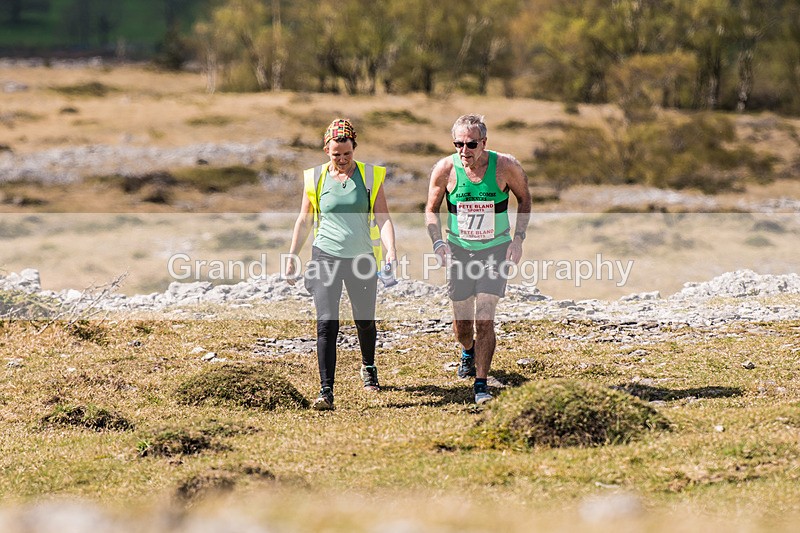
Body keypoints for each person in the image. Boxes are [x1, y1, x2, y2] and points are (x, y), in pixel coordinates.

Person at [284, 118, 396, 410]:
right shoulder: (315, 178)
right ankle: (326, 391)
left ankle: (368, 366)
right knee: (326, 322)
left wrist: (391, 250)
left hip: (361, 259)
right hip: (325, 256)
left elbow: (383, 217)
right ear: (326, 150)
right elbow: (305, 220)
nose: (343, 159)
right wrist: (293, 255)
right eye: (336, 154)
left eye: (347, 153)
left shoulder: (370, 176)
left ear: (354, 148)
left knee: (364, 320)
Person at [424, 114, 531, 404]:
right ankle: (468, 350)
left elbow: (524, 199)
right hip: (459, 251)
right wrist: (437, 242)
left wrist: (518, 239)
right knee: (463, 326)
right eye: (458, 144)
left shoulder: (506, 166)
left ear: (484, 142)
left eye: (471, 144)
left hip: (495, 250)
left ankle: (481, 384)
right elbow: (431, 209)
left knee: (484, 319)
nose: (464, 150)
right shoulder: (445, 169)